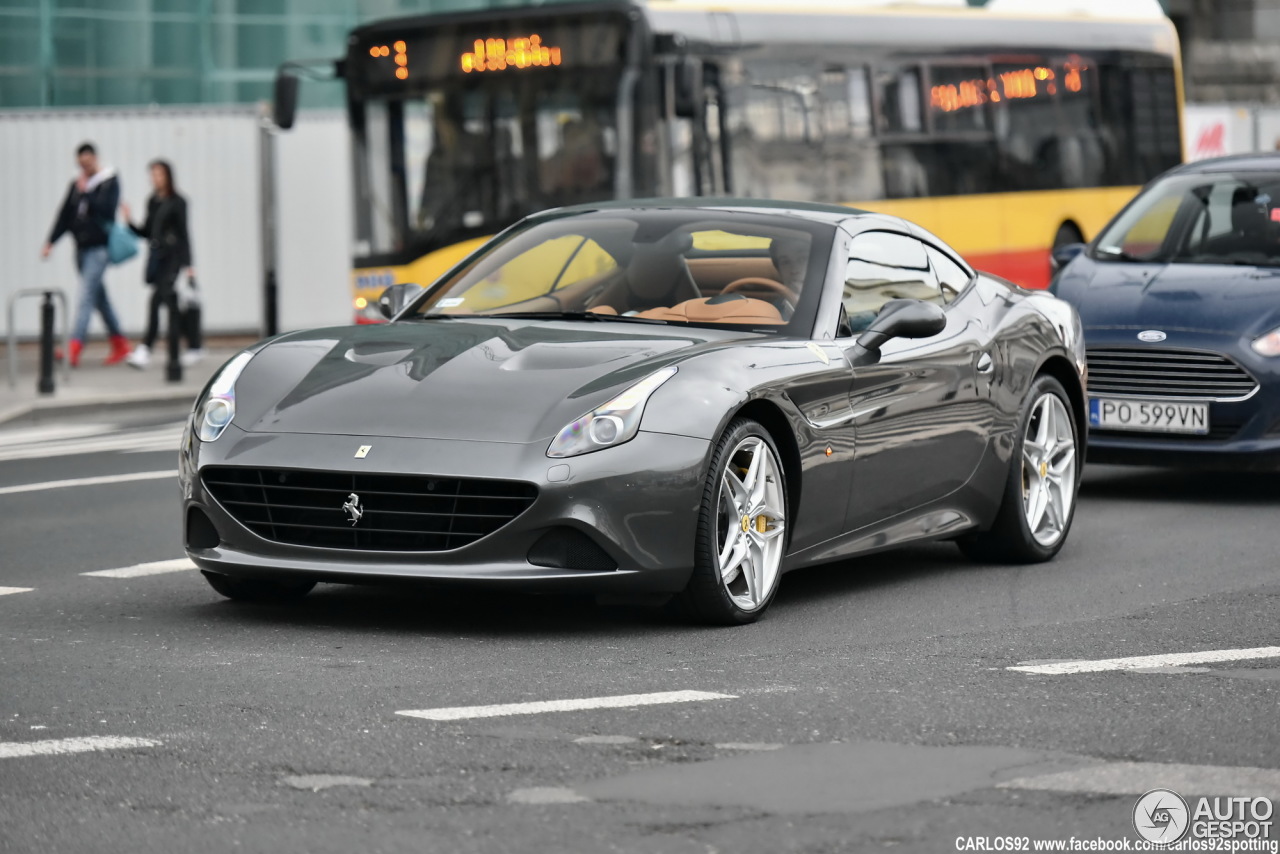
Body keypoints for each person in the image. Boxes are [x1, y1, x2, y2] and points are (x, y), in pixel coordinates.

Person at [41, 142, 130, 367]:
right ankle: (120, 343)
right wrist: (51, 241)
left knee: (86, 295)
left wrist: (87, 192)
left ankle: (74, 345)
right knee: (99, 297)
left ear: (95, 159)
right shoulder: (76, 184)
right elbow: (65, 215)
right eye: (81, 163)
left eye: (88, 162)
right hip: (80, 248)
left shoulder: (108, 181)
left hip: (99, 248)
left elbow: (107, 211)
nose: (85, 166)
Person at [121, 160, 201, 368]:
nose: (155, 179)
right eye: (153, 175)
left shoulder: (178, 201)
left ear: (168, 176)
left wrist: (189, 265)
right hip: (157, 258)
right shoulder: (152, 201)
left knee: (157, 300)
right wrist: (129, 221)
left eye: (159, 174)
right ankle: (194, 345)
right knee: (171, 304)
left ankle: (146, 349)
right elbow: (147, 232)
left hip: (173, 258)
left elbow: (184, 234)